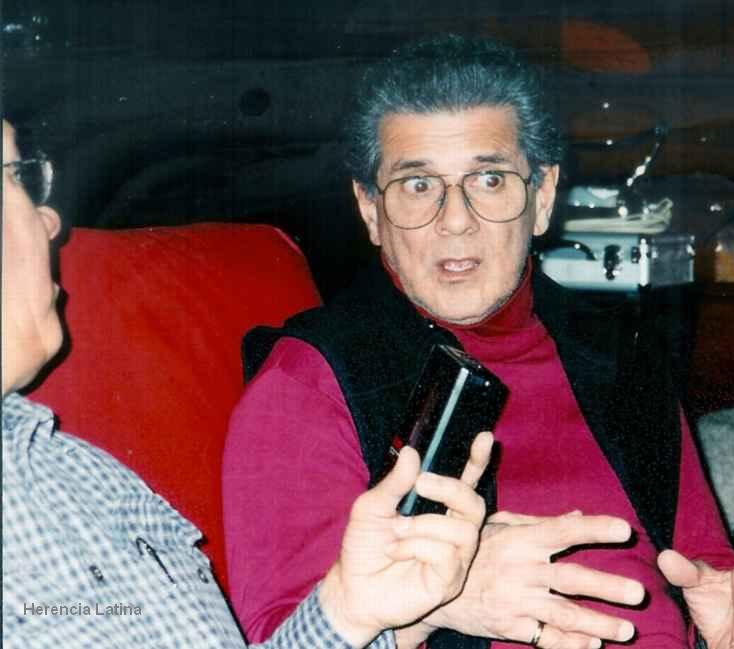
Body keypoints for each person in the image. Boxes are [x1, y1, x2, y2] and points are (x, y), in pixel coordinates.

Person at [223, 34, 734, 649]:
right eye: (418, 185)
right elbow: (285, 638)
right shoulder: (309, 381)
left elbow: (703, 568)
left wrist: (723, 632)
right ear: (371, 210)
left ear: (541, 198)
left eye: (489, 179)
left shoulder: (622, 355)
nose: (455, 220)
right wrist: (438, 604)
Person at [1, 117, 493, 649]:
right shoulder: (307, 376)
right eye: (14, 178)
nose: (49, 219)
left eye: (489, 180)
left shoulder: (79, 470)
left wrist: (352, 611)